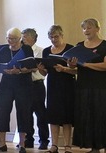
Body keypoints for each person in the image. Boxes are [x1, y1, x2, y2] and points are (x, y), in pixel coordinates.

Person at [0, 28, 35, 153]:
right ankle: (2, 143)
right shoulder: (4, 50)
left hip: (23, 85)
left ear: (19, 38)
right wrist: (5, 70)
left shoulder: (26, 49)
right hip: (6, 84)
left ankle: (22, 144)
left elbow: (32, 67)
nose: (11, 41)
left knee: (23, 112)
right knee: (2, 112)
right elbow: (0, 66)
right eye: (9, 38)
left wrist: (19, 71)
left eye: (14, 39)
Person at [71, 18, 106, 153]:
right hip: (83, 86)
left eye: (89, 27)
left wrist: (85, 64)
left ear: (97, 29)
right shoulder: (79, 46)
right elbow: (76, 67)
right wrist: (71, 65)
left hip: (101, 87)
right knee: (87, 116)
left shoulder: (104, 45)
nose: (86, 30)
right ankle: (94, 147)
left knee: (101, 116)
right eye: (84, 28)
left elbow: (104, 66)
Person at [41, 25, 75, 153]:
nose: (54, 39)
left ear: (62, 35)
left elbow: (76, 71)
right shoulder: (46, 51)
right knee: (53, 115)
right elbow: (45, 73)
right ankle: (54, 145)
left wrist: (64, 69)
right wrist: (41, 70)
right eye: (51, 37)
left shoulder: (70, 49)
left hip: (67, 84)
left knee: (67, 116)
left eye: (56, 36)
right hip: (53, 85)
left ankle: (67, 146)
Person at [22, 28, 50, 150]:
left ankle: (44, 140)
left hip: (37, 84)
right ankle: (29, 139)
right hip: (24, 85)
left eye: (24, 37)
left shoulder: (41, 51)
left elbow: (43, 69)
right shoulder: (21, 51)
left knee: (40, 113)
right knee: (26, 113)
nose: (22, 39)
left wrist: (33, 68)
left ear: (32, 38)